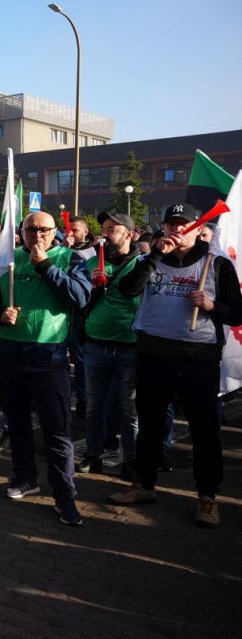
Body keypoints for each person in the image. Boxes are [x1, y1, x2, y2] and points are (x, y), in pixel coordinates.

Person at [109, 203, 242, 528]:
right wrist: (156, 255)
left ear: (198, 230)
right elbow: (127, 290)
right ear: (164, 229)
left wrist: (212, 305)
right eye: (171, 225)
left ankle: (207, 496)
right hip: (154, 356)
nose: (177, 230)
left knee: (204, 430)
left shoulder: (216, 263)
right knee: (150, 427)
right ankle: (144, 484)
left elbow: (237, 313)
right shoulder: (149, 259)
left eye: (185, 225)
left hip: (198, 360)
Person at [0, 211, 91, 526]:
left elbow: (79, 297)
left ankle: (64, 495)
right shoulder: (7, 258)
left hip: (48, 356)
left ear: (55, 232)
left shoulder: (70, 258)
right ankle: (25, 478)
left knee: (56, 429)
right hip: (8, 353)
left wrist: (45, 266)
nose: (37, 235)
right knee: (16, 423)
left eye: (44, 229)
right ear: (22, 232)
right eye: (31, 230)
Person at [77, 212, 142, 478]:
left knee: (129, 411)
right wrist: (90, 288)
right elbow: (78, 301)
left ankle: (131, 461)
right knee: (94, 407)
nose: (105, 234)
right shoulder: (92, 262)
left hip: (129, 346)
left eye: (112, 229)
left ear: (129, 234)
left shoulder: (142, 263)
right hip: (96, 345)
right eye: (104, 229)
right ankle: (93, 455)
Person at [66, 215, 96, 418]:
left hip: (80, 313)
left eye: (75, 230)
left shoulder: (92, 253)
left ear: (85, 232)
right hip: (61, 311)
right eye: (68, 229)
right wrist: (64, 249)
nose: (70, 233)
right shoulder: (61, 250)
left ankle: (84, 399)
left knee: (80, 358)